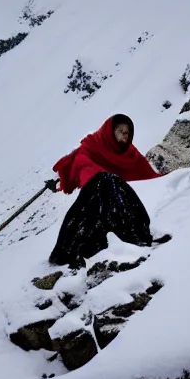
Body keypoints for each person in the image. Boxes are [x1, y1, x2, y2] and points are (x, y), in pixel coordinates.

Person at [48, 114, 163, 270]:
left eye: (127, 132)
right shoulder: (91, 148)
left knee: (109, 184)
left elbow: (151, 178)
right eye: (120, 130)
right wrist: (59, 185)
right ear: (110, 131)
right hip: (94, 203)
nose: (125, 134)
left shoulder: (130, 154)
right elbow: (80, 172)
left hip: (120, 202)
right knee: (104, 182)